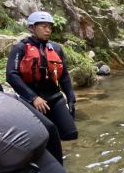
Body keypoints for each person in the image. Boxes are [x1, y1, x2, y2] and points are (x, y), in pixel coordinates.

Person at [7, 10, 78, 141]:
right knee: (47, 138)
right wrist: (33, 98)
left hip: (55, 97)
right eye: (44, 26)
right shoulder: (21, 48)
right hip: (33, 101)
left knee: (71, 134)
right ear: (32, 28)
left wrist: (70, 97)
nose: (48, 30)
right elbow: (11, 75)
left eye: (50, 27)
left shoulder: (56, 48)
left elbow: (64, 76)